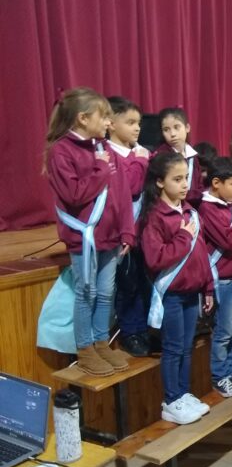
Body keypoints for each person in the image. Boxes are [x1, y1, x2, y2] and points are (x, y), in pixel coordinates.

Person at [46, 87, 134, 377]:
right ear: (83, 118)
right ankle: (84, 347)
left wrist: (127, 230)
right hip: (84, 238)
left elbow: (120, 193)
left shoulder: (103, 148)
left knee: (107, 292)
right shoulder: (61, 151)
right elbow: (73, 194)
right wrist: (98, 170)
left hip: (110, 235)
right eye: (104, 117)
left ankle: (100, 341)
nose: (109, 123)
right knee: (87, 292)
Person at [141, 152, 214, 424]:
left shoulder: (190, 212)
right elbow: (155, 258)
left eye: (186, 178)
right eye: (177, 179)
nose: (185, 184)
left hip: (192, 292)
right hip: (171, 294)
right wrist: (183, 236)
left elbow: (202, 253)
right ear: (160, 182)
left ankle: (183, 395)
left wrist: (207, 287)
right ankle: (171, 400)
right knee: (172, 349)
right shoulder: (155, 217)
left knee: (186, 347)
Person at [198, 158, 232, 398]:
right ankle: (220, 376)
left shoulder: (228, 205)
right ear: (216, 183)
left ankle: (231, 370)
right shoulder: (208, 208)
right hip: (223, 280)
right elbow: (229, 241)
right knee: (223, 331)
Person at [107, 96, 151, 357]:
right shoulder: (108, 154)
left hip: (145, 230)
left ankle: (144, 329)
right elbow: (131, 186)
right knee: (128, 284)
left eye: (139, 123)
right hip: (122, 232)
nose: (137, 128)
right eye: (130, 122)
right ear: (111, 123)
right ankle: (130, 332)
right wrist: (142, 160)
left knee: (145, 282)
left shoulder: (139, 152)